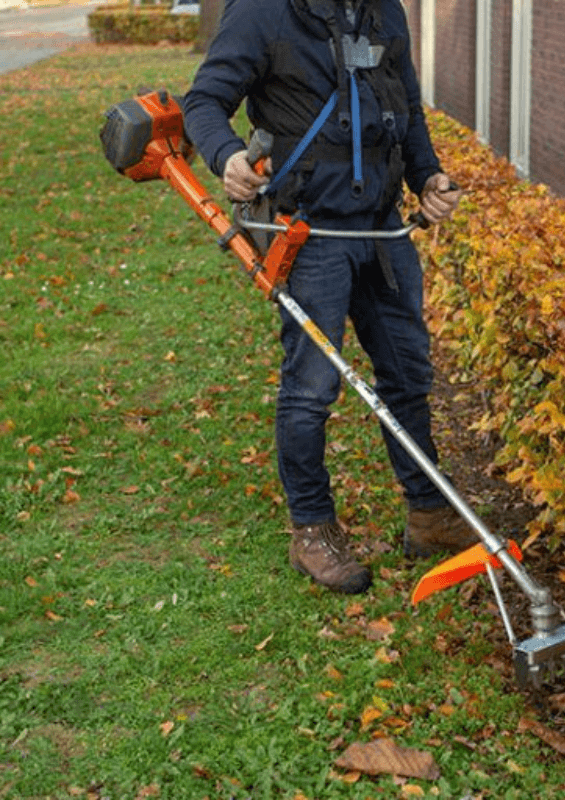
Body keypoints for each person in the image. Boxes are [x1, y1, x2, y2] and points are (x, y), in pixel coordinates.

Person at [183, 0, 477, 594]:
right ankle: (311, 529)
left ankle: (428, 514)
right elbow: (204, 101)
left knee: (407, 372)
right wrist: (227, 155)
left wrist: (428, 177)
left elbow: (407, 110)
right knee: (313, 387)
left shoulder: (384, 10)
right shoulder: (262, 12)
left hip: (381, 227)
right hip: (311, 230)